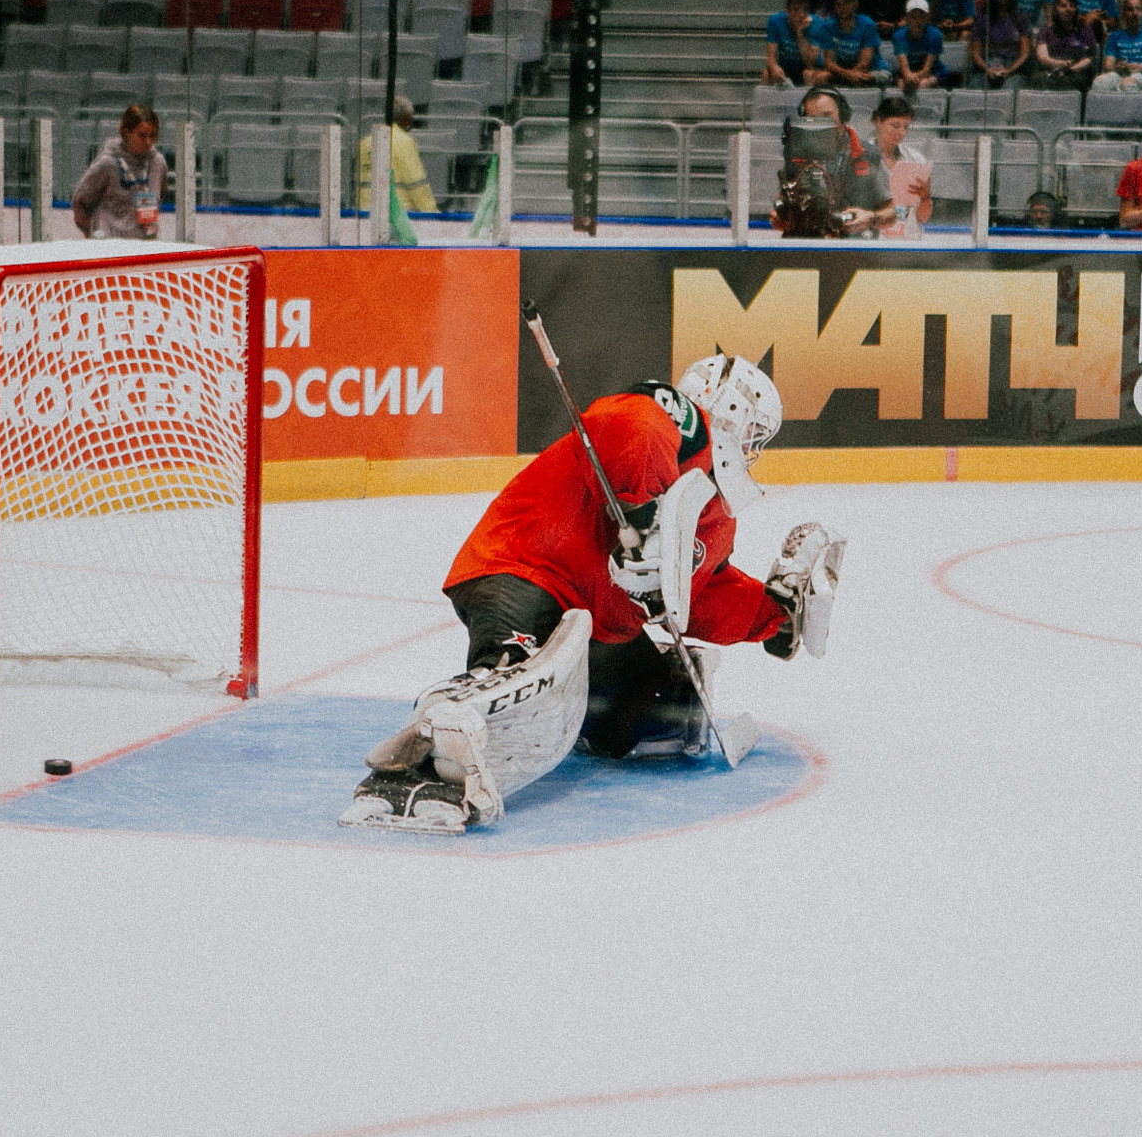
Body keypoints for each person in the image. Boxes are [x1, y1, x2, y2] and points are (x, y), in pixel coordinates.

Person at [338, 356, 842, 835]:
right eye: (754, 433)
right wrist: (641, 504)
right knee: (515, 672)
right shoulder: (677, 421)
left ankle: (562, 714)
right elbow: (629, 423)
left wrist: (775, 615)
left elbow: (698, 595)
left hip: (594, 621)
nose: (753, 450)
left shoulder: (712, 514)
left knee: (659, 712)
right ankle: (424, 755)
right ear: (727, 412)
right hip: (526, 567)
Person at [773, 87, 893, 236]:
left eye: (827, 117)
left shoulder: (869, 156)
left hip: (854, 249)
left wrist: (871, 219)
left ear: (843, 119)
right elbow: (783, 204)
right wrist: (780, 217)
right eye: (814, 119)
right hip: (803, 247)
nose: (821, 125)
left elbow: (892, 213)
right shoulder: (795, 155)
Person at [74, 103, 173, 236]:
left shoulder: (158, 163)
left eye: (153, 136)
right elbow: (80, 201)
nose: (148, 141)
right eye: (142, 136)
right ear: (127, 132)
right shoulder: (108, 163)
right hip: (109, 245)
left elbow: (160, 194)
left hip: (144, 245)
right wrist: (93, 233)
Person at [351, 96, 439, 216]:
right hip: (397, 214)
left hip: (365, 213)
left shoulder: (365, 143)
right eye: (410, 117)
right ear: (405, 118)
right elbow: (416, 184)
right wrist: (433, 215)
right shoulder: (405, 142)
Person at [871, 94, 932, 236]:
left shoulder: (916, 160)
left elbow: (924, 217)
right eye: (895, 125)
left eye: (906, 127)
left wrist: (925, 197)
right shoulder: (862, 157)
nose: (901, 132)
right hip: (874, 240)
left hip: (908, 240)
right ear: (879, 121)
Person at [807, 0, 883, 87]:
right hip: (843, 72)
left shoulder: (868, 24)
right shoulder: (828, 26)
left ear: (855, 4)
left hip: (872, 69)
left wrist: (850, 76)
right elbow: (829, 63)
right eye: (838, 4)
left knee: (864, 79)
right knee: (820, 78)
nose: (842, 7)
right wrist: (848, 75)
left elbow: (865, 63)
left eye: (846, 3)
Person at [971, 0, 1036, 88]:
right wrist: (987, 69)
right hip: (988, 66)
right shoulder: (982, 18)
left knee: (1008, 89)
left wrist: (1009, 71)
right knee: (975, 86)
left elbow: (1025, 53)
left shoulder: (1021, 18)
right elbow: (976, 53)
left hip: (1013, 68)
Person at [889, 0, 947, 90]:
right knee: (902, 86)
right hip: (907, 72)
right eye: (913, 17)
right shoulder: (898, 36)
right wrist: (908, 77)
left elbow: (927, 70)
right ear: (906, 18)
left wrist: (912, 78)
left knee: (923, 84)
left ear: (927, 18)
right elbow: (904, 68)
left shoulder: (935, 35)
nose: (917, 21)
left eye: (921, 17)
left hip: (933, 71)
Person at [762, 0, 815, 85]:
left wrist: (800, 35)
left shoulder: (815, 24)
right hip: (784, 69)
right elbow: (771, 56)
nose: (801, 14)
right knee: (766, 73)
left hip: (804, 70)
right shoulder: (776, 21)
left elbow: (810, 64)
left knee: (809, 74)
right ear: (788, 12)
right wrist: (774, 67)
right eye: (796, 10)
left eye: (805, 10)